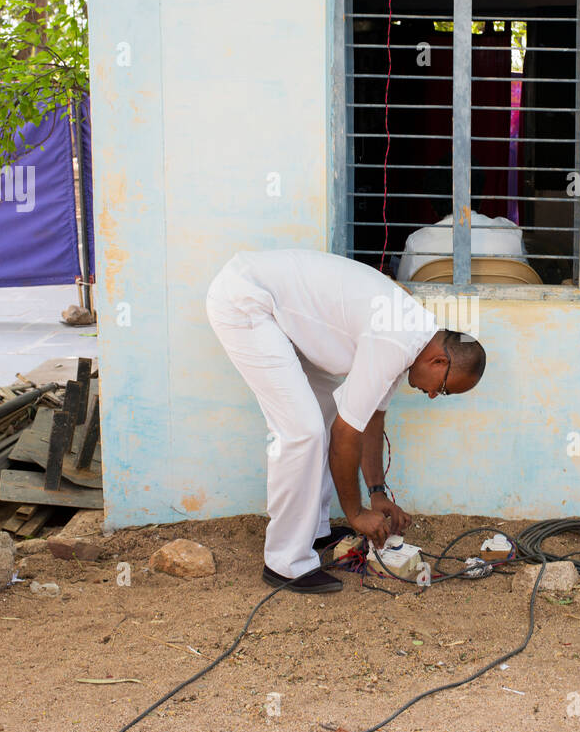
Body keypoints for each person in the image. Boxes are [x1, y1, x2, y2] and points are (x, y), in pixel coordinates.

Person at [205, 249, 485, 594]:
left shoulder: (413, 339)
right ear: (439, 361)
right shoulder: (396, 340)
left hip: (275, 309)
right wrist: (355, 513)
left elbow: (369, 419)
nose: (430, 395)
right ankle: (285, 562)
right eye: (441, 390)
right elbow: (346, 434)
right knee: (302, 431)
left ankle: (316, 529)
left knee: (321, 414)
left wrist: (377, 493)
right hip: (247, 299)